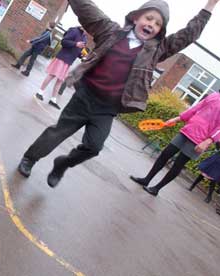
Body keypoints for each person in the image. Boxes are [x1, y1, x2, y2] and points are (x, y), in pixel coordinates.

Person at [17, 0, 218, 189]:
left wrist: (210, 5)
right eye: (148, 18)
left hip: (107, 109)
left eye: (157, 24)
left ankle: (62, 163)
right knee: (58, 132)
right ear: (136, 18)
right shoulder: (110, 30)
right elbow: (86, 8)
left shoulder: (157, 50)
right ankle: (30, 158)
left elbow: (189, 34)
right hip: (85, 97)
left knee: (94, 147)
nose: (151, 24)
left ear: (160, 31)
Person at [130, 92, 220, 196]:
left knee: (178, 164)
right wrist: (177, 118)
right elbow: (195, 109)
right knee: (165, 154)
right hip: (187, 130)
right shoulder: (214, 95)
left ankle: (156, 189)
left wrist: (209, 141)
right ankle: (146, 179)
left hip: (200, 140)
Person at [35, 26, 87, 110]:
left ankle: (53, 99)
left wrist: (81, 56)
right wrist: (75, 44)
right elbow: (63, 42)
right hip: (62, 58)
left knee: (60, 80)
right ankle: (40, 92)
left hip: (69, 61)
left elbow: (78, 50)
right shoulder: (74, 31)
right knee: (52, 75)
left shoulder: (85, 37)